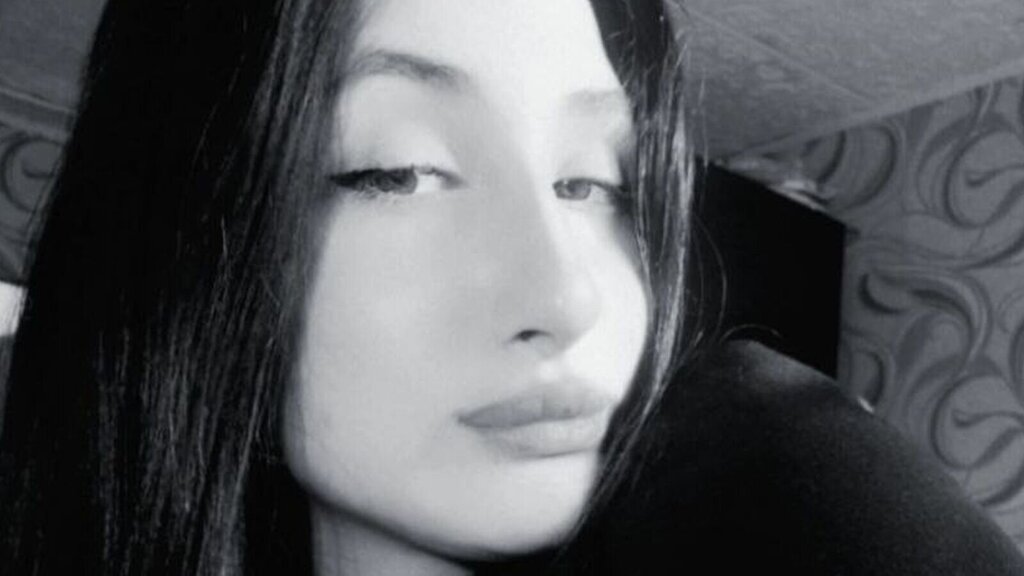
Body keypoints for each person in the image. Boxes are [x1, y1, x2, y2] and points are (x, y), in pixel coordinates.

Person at [0, 0, 1021, 575]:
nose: (569, 296)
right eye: (395, 170)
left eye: (595, 184)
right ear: (188, 242)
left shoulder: (772, 459)